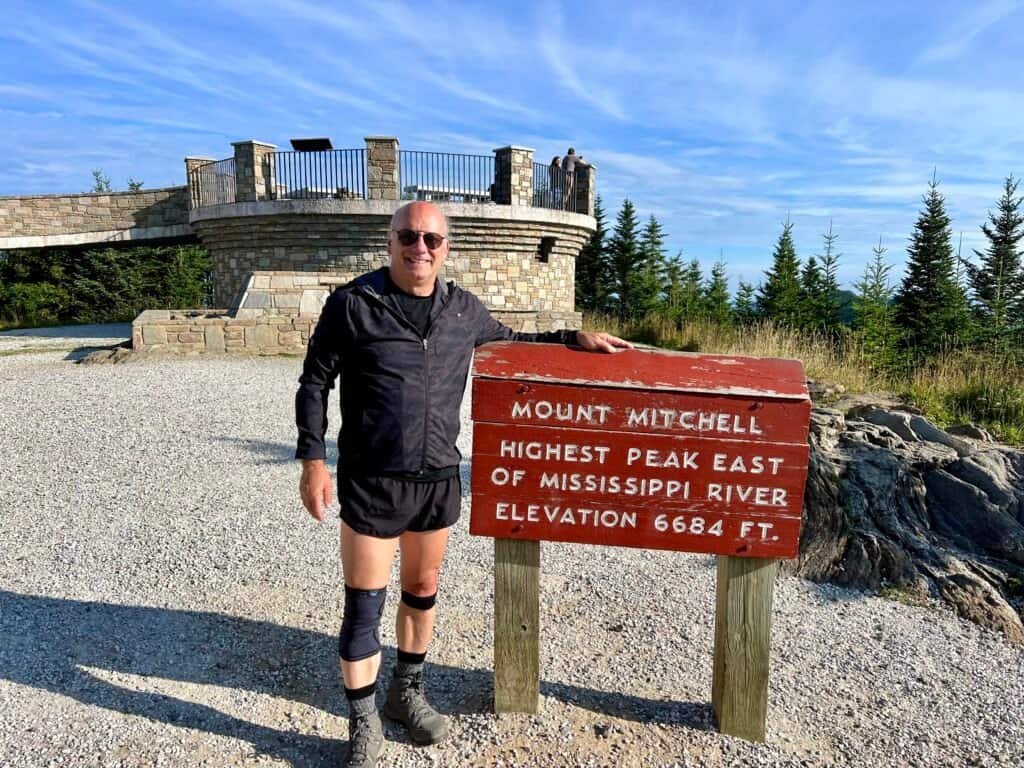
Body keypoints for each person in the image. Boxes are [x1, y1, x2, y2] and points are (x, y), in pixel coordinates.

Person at [295, 201, 630, 767]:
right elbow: (314, 383)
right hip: (373, 481)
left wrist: (575, 337)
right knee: (364, 607)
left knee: (422, 593)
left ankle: (407, 693)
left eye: (431, 239)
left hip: (438, 480)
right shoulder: (353, 304)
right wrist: (312, 461)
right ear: (390, 240)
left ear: (446, 248)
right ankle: (362, 719)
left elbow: (515, 342)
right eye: (408, 235)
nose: (419, 247)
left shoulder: (461, 310)